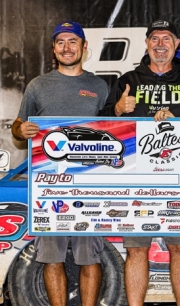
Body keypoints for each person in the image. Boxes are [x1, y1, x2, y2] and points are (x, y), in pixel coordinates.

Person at [98, 20, 180, 306]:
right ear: (147, 43)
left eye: (167, 38)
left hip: (179, 183)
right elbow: (101, 129)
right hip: (135, 181)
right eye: (154, 38)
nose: (160, 44)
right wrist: (116, 109)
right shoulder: (127, 80)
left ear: (176, 45)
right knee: (137, 251)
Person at [11, 21, 107, 306]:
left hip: (89, 185)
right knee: (51, 258)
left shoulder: (99, 86)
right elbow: (19, 124)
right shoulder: (37, 85)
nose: (67, 47)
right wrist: (21, 130)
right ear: (53, 49)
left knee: (90, 257)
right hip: (48, 185)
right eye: (61, 42)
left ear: (84, 47)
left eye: (73, 41)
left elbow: (112, 129)